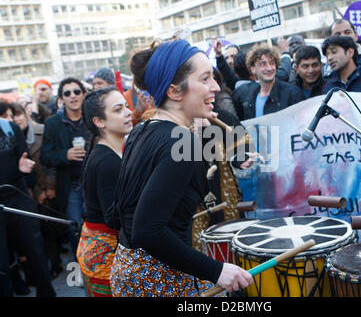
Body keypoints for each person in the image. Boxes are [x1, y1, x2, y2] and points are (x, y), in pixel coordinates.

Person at [109, 39, 253, 297]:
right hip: (158, 277)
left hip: (128, 270)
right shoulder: (183, 143)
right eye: (206, 78)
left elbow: (121, 212)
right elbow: (147, 230)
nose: (216, 86)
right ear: (174, 92)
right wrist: (217, 270)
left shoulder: (143, 129)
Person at [76, 87, 132, 297]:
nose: (127, 112)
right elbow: (114, 217)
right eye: (118, 110)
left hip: (103, 250)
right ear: (99, 121)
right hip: (105, 257)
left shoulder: (116, 150)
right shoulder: (107, 160)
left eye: (126, 106)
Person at [0, 101, 56, 297]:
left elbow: (25, 160)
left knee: (34, 248)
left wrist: (23, 168)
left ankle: (46, 292)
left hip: (18, 195)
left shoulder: (10, 128)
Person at [40, 77, 90, 258]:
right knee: (76, 227)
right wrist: (65, 155)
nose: (73, 96)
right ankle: (83, 269)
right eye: (67, 93)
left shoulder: (93, 117)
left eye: (77, 91)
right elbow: (45, 156)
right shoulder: (53, 123)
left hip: (94, 181)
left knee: (102, 226)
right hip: (71, 185)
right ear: (61, 98)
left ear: (83, 94)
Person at [232, 44, 304, 121]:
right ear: (253, 69)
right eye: (263, 64)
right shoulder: (247, 95)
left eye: (272, 63)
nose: (269, 68)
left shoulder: (292, 93)